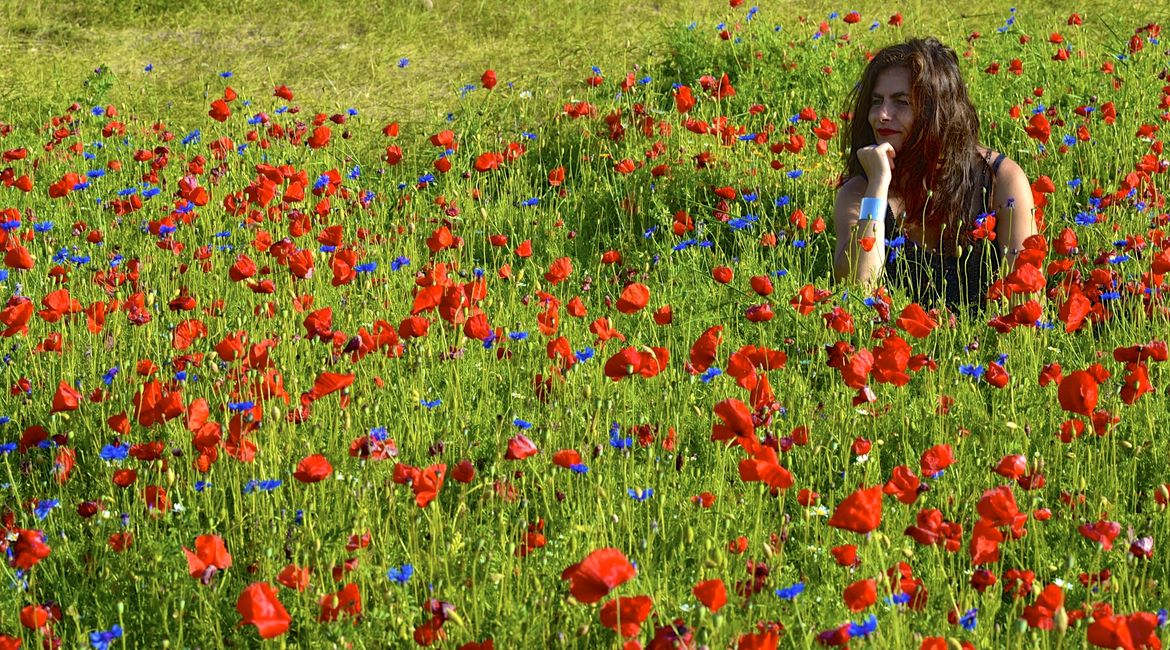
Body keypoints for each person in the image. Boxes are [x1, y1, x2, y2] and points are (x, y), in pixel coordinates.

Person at [832, 38, 1037, 311]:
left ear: (937, 110)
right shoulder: (860, 192)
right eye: (876, 101)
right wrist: (879, 186)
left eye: (901, 102)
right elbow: (858, 289)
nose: (881, 114)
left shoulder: (1000, 180)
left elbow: (1026, 301)